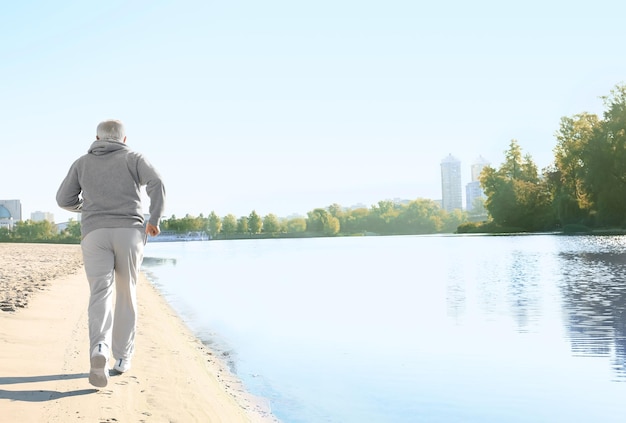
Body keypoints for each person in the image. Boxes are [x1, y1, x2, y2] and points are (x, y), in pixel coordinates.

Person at [56, 119, 165, 388]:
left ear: (97, 137)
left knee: (99, 293)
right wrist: (155, 219)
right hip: (129, 231)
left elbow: (63, 200)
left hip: (94, 234)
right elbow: (157, 182)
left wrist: (90, 207)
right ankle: (122, 358)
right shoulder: (134, 157)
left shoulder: (82, 162)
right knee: (126, 293)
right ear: (124, 139)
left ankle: (99, 349)